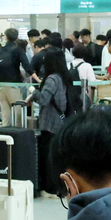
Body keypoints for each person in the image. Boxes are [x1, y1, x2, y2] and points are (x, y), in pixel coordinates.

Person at [25, 48, 73, 195]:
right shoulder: (63, 77)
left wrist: (33, 91)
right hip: (59, 122)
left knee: (47, 156)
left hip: (50, 123)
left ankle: (50, 187)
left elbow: (44, 99)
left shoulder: (52, 79)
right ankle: (57, 187)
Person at [0, 28, 33, 122]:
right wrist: (37, 79)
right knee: (18, 116)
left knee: (5, 116)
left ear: (6, 37)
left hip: (0, 86)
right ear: (16, 38)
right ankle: (17, 136)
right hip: (14, 86)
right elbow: (27, 67)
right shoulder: (18, 50)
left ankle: (6, 135)